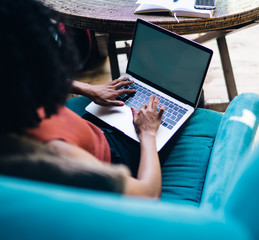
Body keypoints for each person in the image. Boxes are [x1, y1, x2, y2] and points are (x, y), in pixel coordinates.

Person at [0, 0, 165, 198]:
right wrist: (147, 134)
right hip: (114, 156)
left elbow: (24, 72)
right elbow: (147, 195)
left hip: (87, 132)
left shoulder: (13, 99)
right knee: (170, 117)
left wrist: (87, 88)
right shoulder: (57, 153)